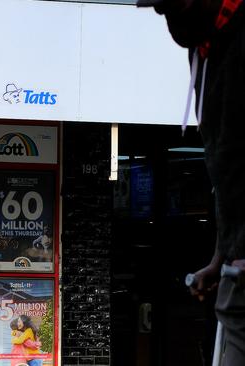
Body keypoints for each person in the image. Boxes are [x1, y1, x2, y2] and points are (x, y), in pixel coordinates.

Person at [138, 0, 245, 364]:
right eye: (161, 10)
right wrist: (222, 255)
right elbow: (227, 167)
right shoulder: (206, 48)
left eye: (174, 6)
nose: (169, 22)